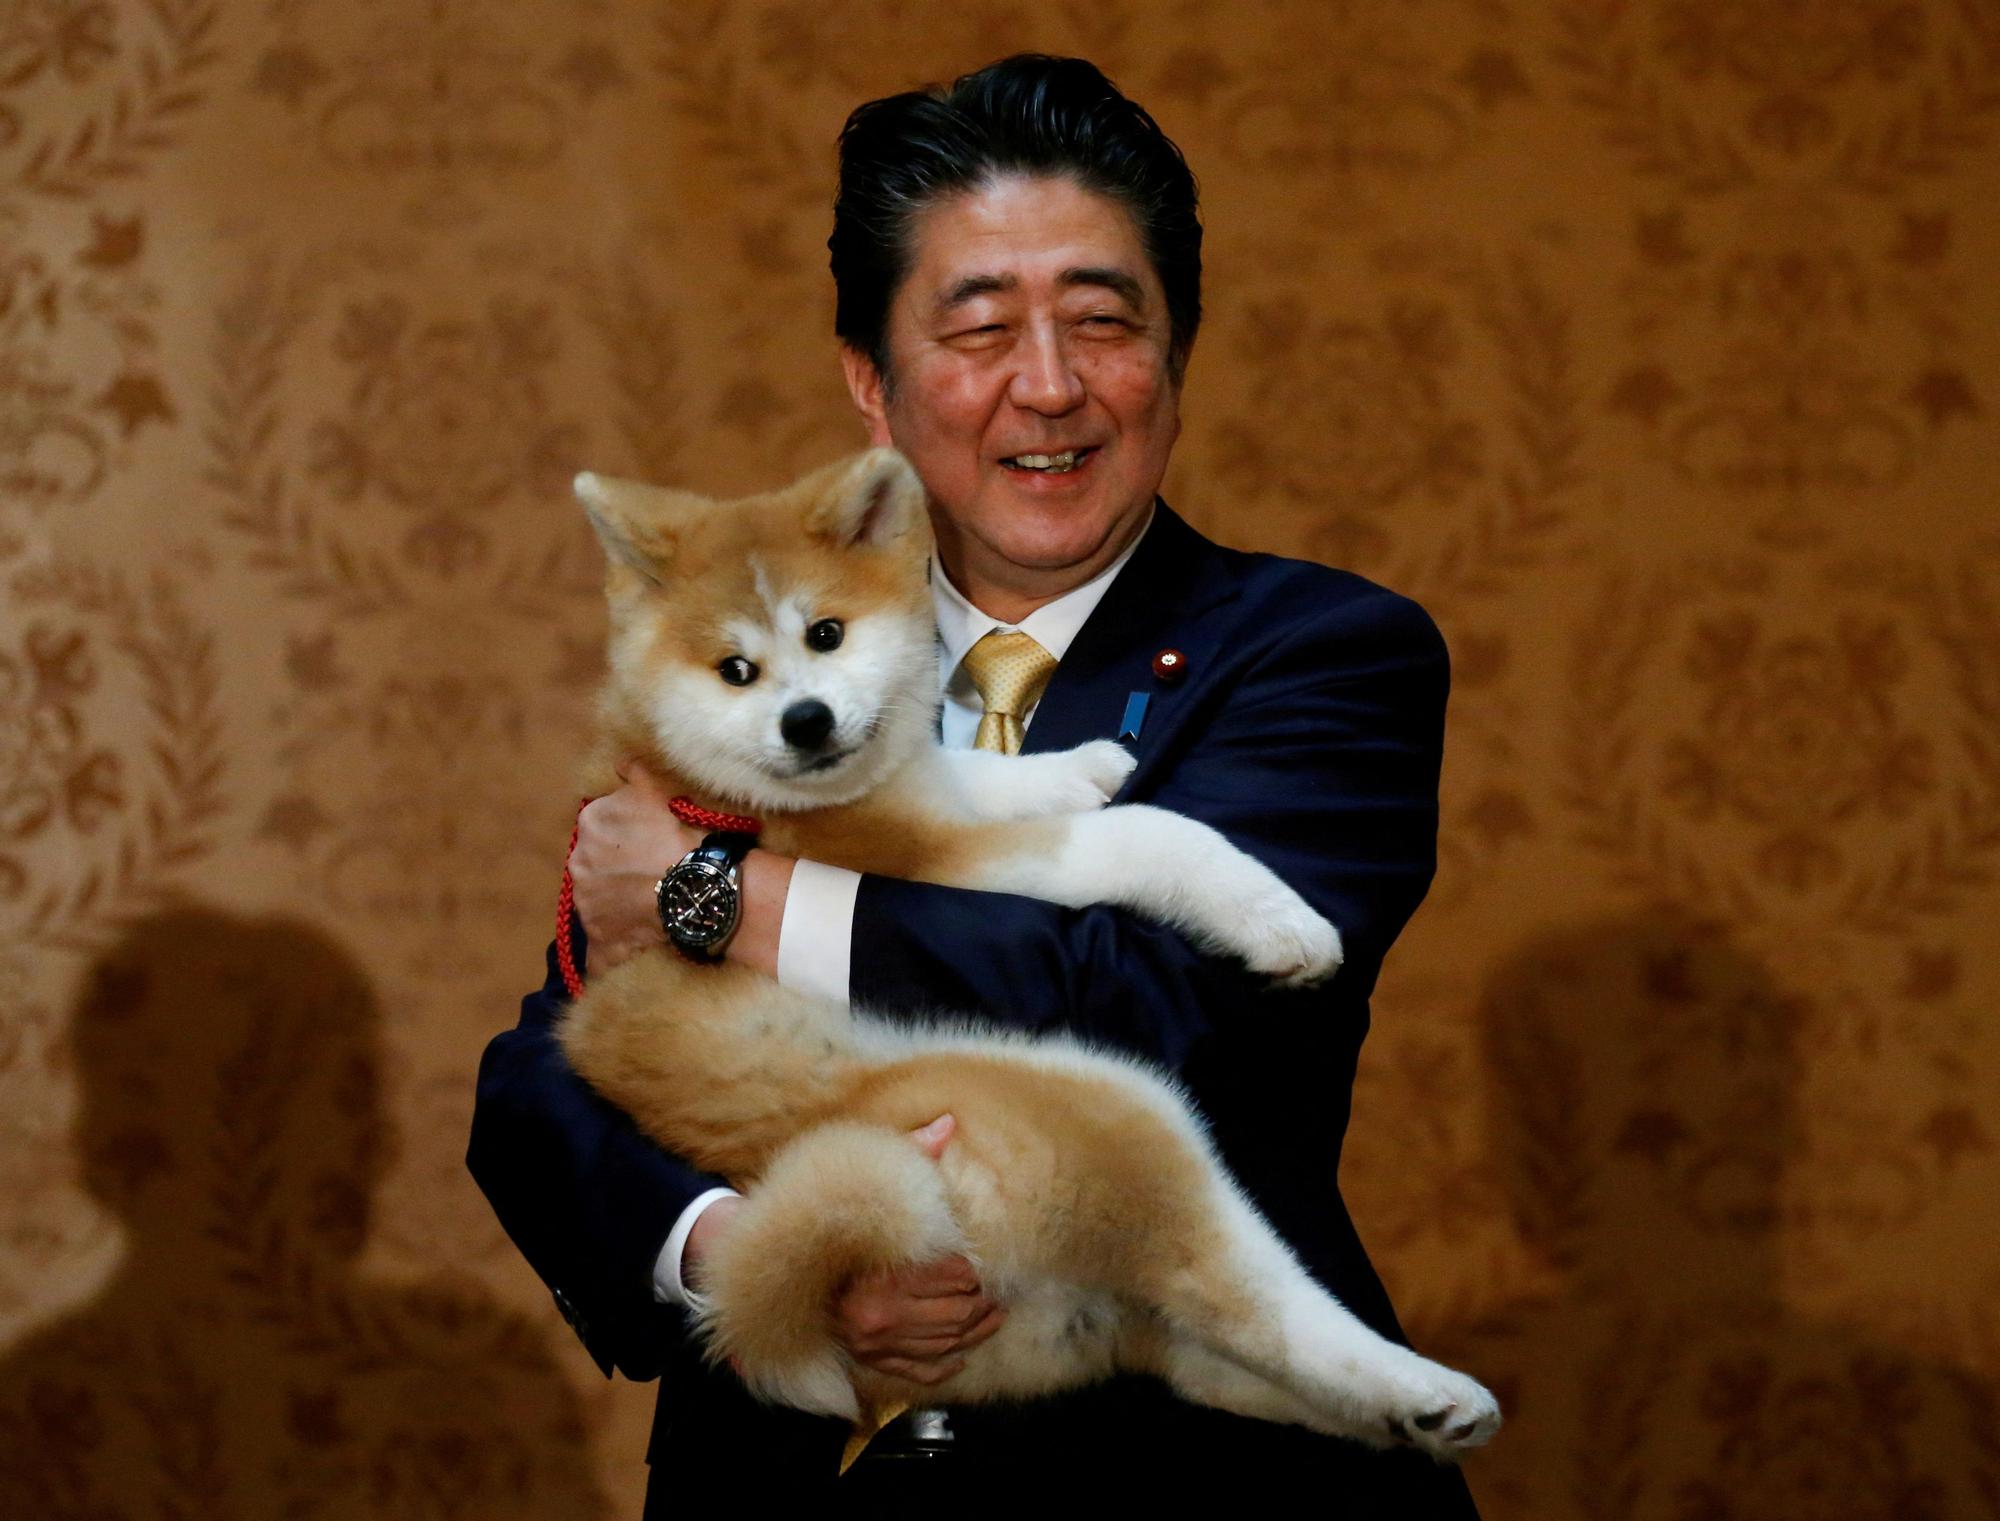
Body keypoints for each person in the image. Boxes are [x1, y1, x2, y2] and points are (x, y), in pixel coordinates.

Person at [468, 53, 1484, 1514]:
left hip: (1193, 1473)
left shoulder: (1327, 654)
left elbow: (1157, 999)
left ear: (1176, 359)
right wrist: (750, 1256)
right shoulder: (762, 667)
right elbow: (550, 1071)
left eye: (1100, 321)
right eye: (981, 328)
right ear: (872, 388)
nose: (1050, 386)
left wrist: (721, 894)